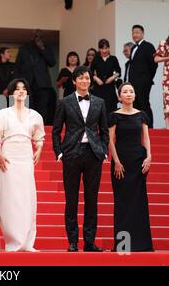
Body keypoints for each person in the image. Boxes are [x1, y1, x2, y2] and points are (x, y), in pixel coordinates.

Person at [52, 66, 109, 252]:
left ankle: (90, 242)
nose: (85, 81)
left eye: (87, 78)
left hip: (93, 154)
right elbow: (56, 131)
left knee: (92, 199)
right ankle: (73, 241)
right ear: (74, 81)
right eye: (81, 78)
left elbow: (104, 130)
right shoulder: (64, 102)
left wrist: (103, 150)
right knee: (71, 199)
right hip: (71, 154)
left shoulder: (100, 102)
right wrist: (59, 152)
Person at [0, 78, 45, 252]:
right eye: (17, 89)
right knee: (9, 199)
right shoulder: (2, 115)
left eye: (23, 89)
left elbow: (39, 136)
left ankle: (28, 242)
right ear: (11, 92)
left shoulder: (35, 115)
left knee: (27, 198)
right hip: (8, 157)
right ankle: (12, 242)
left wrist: (39, 148)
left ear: (27, 92)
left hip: (26, 157)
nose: (20, 91)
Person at [108, 83, 153, 252]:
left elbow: (146, 137)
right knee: (122, 203)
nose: (128, 94)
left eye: (131, 91)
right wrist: (117, 161)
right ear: (119, 96)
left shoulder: (141, 115)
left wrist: (149, 155)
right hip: (121, 162)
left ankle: (142, 245)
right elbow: (110, 140)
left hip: (139, 162)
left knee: (139, 202)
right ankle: (123, 245)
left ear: (134, 95)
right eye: (125, 92)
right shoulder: (114, 116)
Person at [15, 29, 56, 125]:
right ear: (32, 37)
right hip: (27, 84)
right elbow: (17, 67)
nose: (38, 38)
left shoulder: (46, 48)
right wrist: (18, 84)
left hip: (43, 84)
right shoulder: (23, 48)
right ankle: (27, 128)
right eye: (36, 36)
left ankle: (40, 129)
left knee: (42, 109)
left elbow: (52, 63)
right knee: (27, 108)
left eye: (40, 37)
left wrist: (42, 48)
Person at [128, 25, 158, 128]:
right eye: (133, 33)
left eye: (137, 32)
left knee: (144, 103)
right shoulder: (133, 48)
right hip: (133, 82)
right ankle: (138, 127)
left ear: (142, 34)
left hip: (144, 81)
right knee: (135, 105)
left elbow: (154, 64)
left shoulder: (148, 46)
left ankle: (149, 127)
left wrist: (148, 78)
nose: (135, 35)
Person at [92, 39, 121, 113]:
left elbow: (118, 72)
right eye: (102, 48)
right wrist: (97, 79)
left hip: (109, 87)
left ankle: (111, 124)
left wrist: (112, 78)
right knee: (98, 109)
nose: (104, 51)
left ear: (109, 48)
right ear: (99, 49)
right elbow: (90, 72)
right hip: (98, 87)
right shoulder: (96, 59)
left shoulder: (113, 59)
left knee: (110, 108)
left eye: (106, 48)